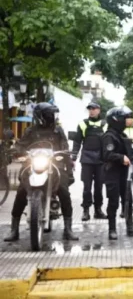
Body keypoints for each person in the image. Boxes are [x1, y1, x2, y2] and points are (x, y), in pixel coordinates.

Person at [4, 103, 78, 242]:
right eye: (49, 114)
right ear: (41, 116)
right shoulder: (31, 131)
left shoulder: (58, 131)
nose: (52, 117)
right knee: (21, 192)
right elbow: (21, 144)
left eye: (53, 114)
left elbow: (65, 146)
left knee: (63, 190)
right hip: (33, 163)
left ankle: (68, 229)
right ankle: (14, 230)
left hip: (54, 164)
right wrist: (16, 149)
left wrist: (67, 154)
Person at [102, 106, 133, 240]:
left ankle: (130, 227)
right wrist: (120, 157)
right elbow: (107, 154)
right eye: (125, 119)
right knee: (113, 201)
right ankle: (112, 229)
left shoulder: (122, 135)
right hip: (112, 172)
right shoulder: (109, 136)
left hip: (125, 173)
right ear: (116, 120)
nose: (127, 121)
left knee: (128, 199)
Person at [71, 102, 107, 221]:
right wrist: (73, 157)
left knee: (99, 187)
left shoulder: (105, 124)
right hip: (86, 159)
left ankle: (98, 210)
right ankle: (85, 210)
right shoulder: (83, 124)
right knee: (87, 187)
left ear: (99, 110)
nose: (91, 111)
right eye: (90, 109)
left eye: (94, 108)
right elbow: (77, 142)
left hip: (101, 160)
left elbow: (109, 142)